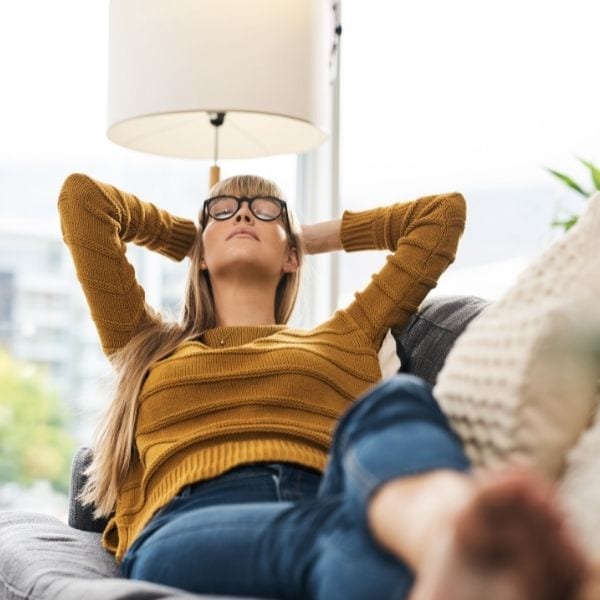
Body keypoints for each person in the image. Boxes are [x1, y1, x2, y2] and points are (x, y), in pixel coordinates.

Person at [58, 172, 593, 600]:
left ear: (292, 256)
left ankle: (449, 530)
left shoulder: (346, 336)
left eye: (266, 209)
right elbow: (83, 201)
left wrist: (309, 237)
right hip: (194, 519)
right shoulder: (148, 344)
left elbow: (440, 216)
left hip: (344, 496)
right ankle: (461, 559)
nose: (243, 211)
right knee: (337, 548)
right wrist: (194, 238)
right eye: (223, 208)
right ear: (199, 250)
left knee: (396, 398)